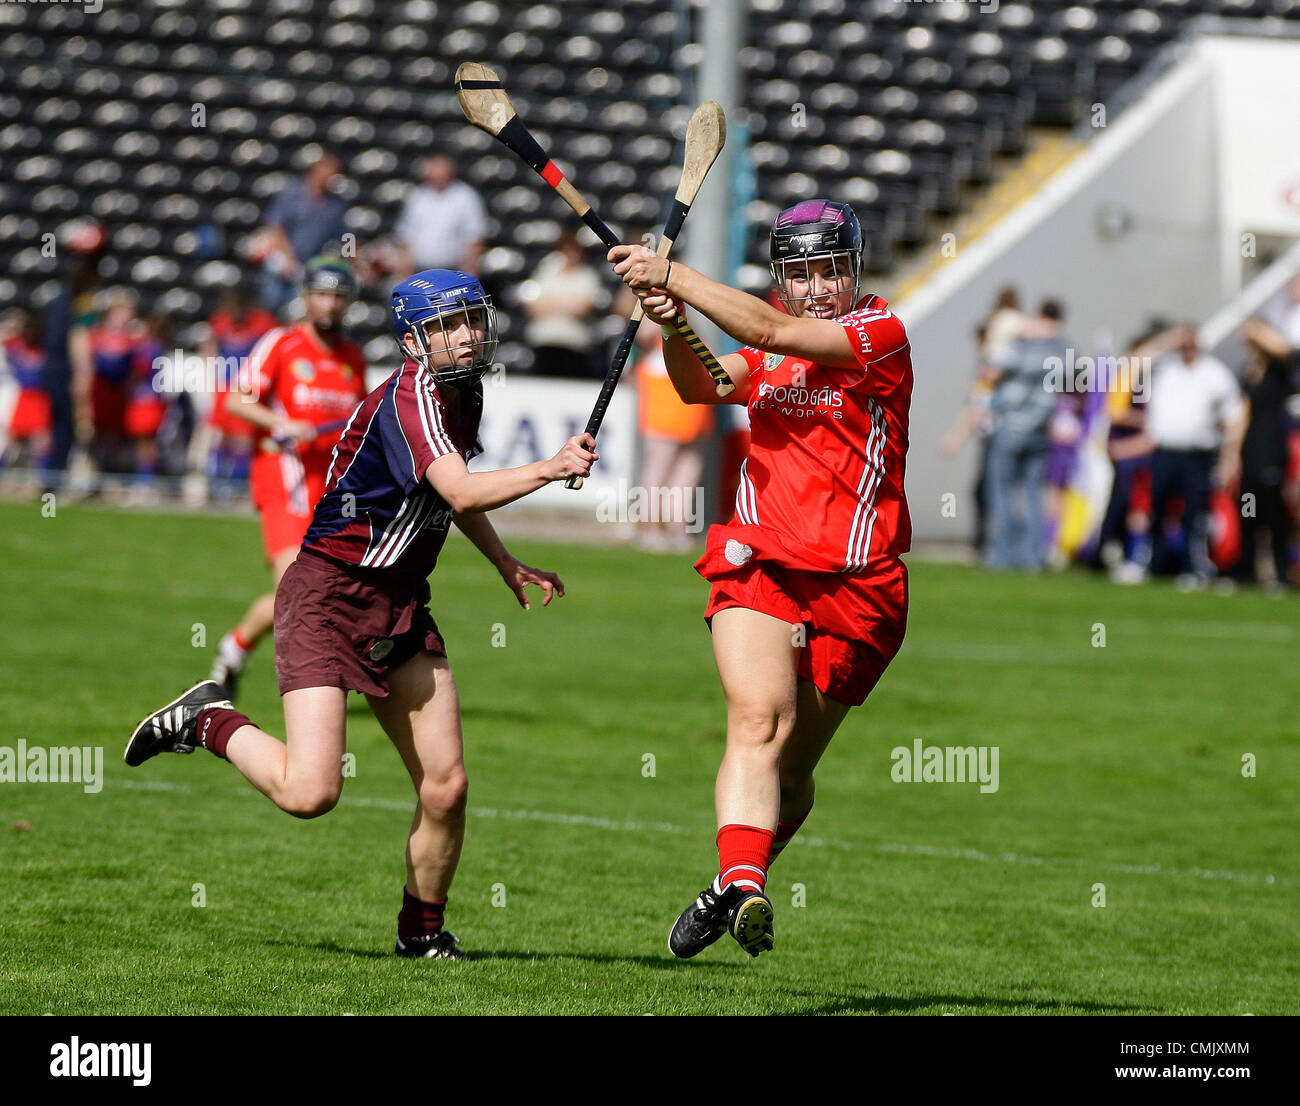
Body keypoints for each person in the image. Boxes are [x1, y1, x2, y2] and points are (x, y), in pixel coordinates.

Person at [126, 269, 597, 959]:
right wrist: (551, 467)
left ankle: (422, 934)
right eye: (445, 326)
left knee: (447, 785)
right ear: (412, 340)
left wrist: (504, 562)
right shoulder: (413, 399)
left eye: (470, 320)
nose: (465, 336)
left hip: (400, 604)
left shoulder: (463, 393)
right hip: (328, 596)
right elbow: (462, 491)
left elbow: (447, 500)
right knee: (310, 793)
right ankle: (207, 719)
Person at [609, 199, 912, 959]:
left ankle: (729, 885)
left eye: (830, 270)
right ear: (781, 276)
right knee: (758, 720)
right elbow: (702, 387)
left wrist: (673, 273)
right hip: (762, 559)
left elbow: (767, 329)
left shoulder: (878, 335)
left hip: (859, 582)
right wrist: (671, 319)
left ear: (855, 268)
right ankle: (747, 885)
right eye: (801, 274)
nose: (817, 288)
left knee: (794, 772)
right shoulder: (769, 355)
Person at [207, 257, 369, 701]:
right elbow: (237, 400)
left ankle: (234, 649)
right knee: (296, 585)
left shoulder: (352, 358)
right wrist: (281, 424)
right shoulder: (281, 343)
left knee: (325, 589)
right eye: (321, 293)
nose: (329, 303)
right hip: (283, 478)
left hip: (332, 490)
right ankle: (313, 685)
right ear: (306, 297)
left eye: (338, 295)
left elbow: (359, 424)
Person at [1122, 325, 1247, 585]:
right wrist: (1169, 340)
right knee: (1154, 508)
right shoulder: (1164, 367)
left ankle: (1194, 568)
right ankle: (1152, 563)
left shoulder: (1214, 373)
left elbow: (1234, 414)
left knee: (1195, 512)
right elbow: (1134, 362)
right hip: (1164, 451)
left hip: (1197, 454)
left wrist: (1230, 455)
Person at [984, 299, 1069, 571]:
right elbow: (1079, 382)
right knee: (1034, 495)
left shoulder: (1021, 343)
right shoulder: (1063, 348)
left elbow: (991, 373)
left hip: (1011, 425)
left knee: (1003, 492)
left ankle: (1002, 556)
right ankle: (1033, 556)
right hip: (1042, 428)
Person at [197, 287, 279, 497]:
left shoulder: (261, 324)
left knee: (243, 440)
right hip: (224, 387)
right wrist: (211, 379)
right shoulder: (220, 322)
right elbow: (209, 349)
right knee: (221, 437)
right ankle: (214, 484)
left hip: (245, 389)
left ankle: (238, 486)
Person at [1234, 318, 1296, 591]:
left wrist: (1257, 329)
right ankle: (1247, 572)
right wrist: (1232, 455)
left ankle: (1280, 574)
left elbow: (1285, 350)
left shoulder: (1278, 370)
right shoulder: (1248, 373)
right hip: (1250, 454)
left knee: (1273, 516)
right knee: (1248, 512)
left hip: (1271, 453)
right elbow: (1241, 416)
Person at [254, 152, 351, 315]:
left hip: (309, 267)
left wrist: (353, 260)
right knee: (271, 306)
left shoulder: (336, 205)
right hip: (282, 262)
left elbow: (348, 237)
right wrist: (287, 257)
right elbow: (275, 226)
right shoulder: (292, 193)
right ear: (317, 170)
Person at [519, 229, 604, 377]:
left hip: (573, 343)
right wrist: (567, 305)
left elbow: (583, 308)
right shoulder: (545, 272)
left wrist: (550, 304)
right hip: (543, 341)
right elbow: (532, 305)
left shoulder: (587, 276)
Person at [394, 154, 486, 278]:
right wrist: (405, 270)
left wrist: (469, 271)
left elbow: (474, 236)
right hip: (420, 271)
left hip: (453, 270)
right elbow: (407, 235)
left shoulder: (465, 196)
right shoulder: (417, 196)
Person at [1, 308, 52, 474]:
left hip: (39, 398)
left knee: (41, 441)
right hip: (22, 397)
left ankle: (45, 481)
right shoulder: (16, 345)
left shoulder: (45, 347)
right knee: (10, 441)